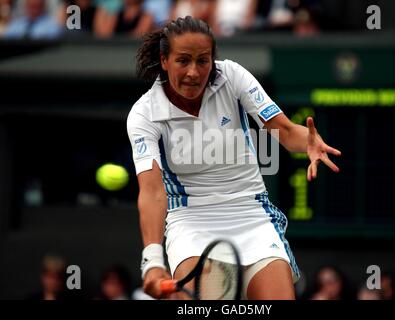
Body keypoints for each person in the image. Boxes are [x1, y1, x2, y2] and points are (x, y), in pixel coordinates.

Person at [127, 16, 341, 300]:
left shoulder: (233, 76)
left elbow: (287, 132)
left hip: (252, 215)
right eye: (183, 61)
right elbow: (153, 191)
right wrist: (152, 262)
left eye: (203, 61)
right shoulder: (144, 114)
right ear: (164, 60)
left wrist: (309, 142)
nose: (193, 72)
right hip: (192, 223)